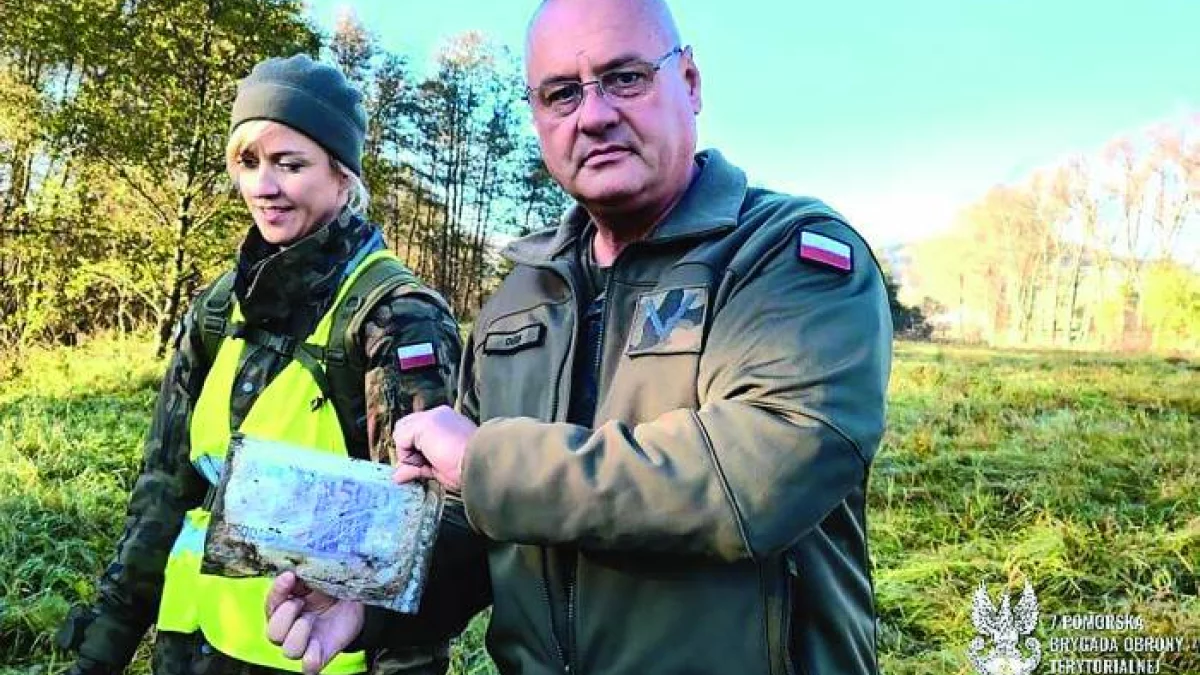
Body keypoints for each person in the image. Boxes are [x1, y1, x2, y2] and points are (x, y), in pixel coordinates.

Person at [267, 0, 894, 672]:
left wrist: (486, 462)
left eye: (625, 77)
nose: (592, 115)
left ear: (689, 82)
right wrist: (375, 591)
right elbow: (483, 525)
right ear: (536, 115)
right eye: (561, 92)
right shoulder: (517, 299)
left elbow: (754, 477)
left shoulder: (788, 257)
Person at [55, 54, 478, 675]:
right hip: (186, 647)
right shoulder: (219, 306)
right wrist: (103, 645)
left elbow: (422, 537)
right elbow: (164, 490)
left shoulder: (396, 317)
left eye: (290, 163)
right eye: (248, 162)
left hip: (308, 658)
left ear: (342, 176)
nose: (263, 186)